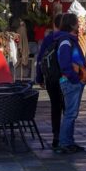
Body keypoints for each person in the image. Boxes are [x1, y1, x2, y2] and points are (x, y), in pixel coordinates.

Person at [55, 12, 86, 154]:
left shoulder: (68, 40)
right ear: (72, 24)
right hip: (70, 81)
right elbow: (64, 63)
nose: (79, 24)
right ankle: (65, 143)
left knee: (71, 113)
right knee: (70, 113)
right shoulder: (66, 41)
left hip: (73, 80)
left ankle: (69, 142)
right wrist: (76, 80)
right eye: (77, 22)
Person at [35, 13, 65, 148]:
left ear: (54, 25)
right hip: (64, 77)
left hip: (51, 78)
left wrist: (40, 77)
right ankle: (66, 136)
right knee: (67, 108)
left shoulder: (48, 38)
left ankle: (56, 135)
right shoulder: (68, 38)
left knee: (55, 106)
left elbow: (40, 58)